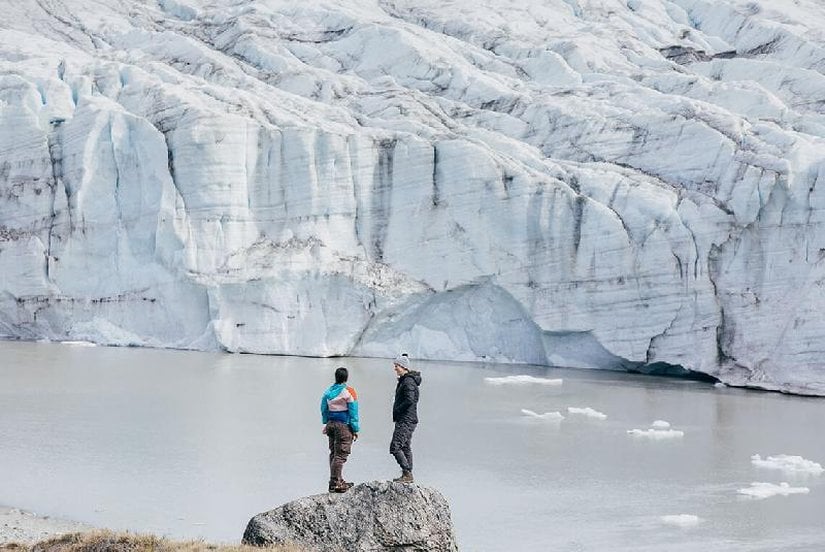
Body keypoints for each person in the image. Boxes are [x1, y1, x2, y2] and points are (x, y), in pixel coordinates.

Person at [321, 366, 360, 493]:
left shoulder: (328, 392)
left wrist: (326, 422)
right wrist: (355, 429)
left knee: (334, 453)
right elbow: (353, 412)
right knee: (341, 455)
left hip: (331, 424)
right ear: (346, 378)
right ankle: (335, 482)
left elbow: (323, 409)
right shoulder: (349, 391)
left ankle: (337, 479)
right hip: (343, 425)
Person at [389, 353, 421, 483]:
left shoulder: (408, 382)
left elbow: (410, 400)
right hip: (407, 418)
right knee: (405, 446)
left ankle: (407, 472)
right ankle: (407, 475)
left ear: (403, 367)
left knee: (395, 446)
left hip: (406, 419)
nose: (395, 368)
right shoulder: (405, 381)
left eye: (397, 366)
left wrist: (398, 409)